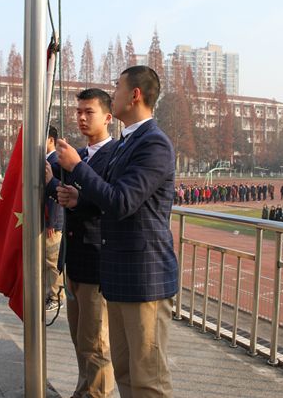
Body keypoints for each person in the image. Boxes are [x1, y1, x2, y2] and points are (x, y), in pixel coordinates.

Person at [56, 66, 178, 397]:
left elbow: (123, 201)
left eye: (118, 88)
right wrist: (80, 196)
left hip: (144, 277)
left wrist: (76, 167)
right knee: (124, 371)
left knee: (148, 376)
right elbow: (107, 198)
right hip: (120, 275)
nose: (114, 94)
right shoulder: (128, 142)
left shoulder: (154, 144)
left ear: (135, 95)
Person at [45, 89, 116, 397]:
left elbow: (110, 204)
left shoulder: (115, 155)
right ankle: (83, 390)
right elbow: (71, 198)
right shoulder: (80, 155)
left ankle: (97, 393)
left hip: (97, 262)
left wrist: (75, 196)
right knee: (79, 339)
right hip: (73, 261)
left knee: (96, 343)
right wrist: (54, 185)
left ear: (108, 118)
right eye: (79, 112)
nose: (82, 117)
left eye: (90, 112)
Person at [44, 127, 65, 311]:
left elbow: (56, 193)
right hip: (47, 220)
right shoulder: (47, 160)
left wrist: (51, 222)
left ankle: (56, 297)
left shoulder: (55, 161)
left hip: (54, 223)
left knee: (52, 261)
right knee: (45, 259)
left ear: (50, 140)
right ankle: (48, 293)